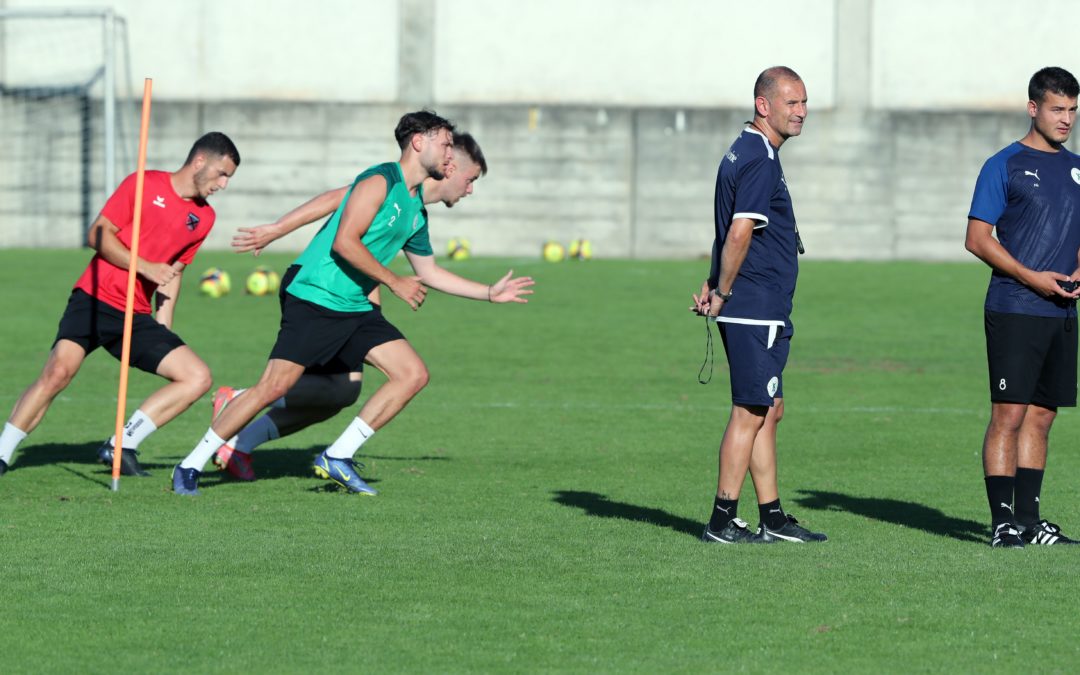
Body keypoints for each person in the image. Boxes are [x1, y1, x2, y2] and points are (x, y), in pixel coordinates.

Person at [174, 114, 533, 495]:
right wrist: (392, 281)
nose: (449, 153)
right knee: (274, 386)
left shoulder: (415, 210)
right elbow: (345, 241)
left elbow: (428, 271)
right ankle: (190, 464)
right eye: (445, 145)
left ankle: (337, 457)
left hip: (354, 305)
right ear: (418, 143)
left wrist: (489, 293)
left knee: (409, 375)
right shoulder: (380, 179)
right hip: (316, 294)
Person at [0, 133, 240, 477]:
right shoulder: (142, 184)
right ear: (199, 161)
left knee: (197, 377)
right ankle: (3, 453)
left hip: (135, 314)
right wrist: (145, 266)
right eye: (221, 173)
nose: (223, 184)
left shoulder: (204, 218)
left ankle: (121, 444)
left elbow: (174, 273)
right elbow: (97, 234)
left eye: (228, 177)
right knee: (57, 372)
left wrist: (164, 322)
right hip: (94, 297)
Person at [690, 66, 826, 544]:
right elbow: (740, 231)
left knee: (771, 408)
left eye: (805, 102)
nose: (802, 111)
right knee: (750, 410)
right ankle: (722, 520)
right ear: (763, 105)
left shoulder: (749, 150)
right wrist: (723, 292)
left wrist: (713, 283)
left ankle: (772, 517)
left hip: (757, 303)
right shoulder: (758, 158)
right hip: (753, 306)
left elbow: (726, 229)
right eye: (792, 103)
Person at [965, 66, 1080, 548]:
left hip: (1062, 313)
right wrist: (1032, 276)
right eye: (1057, 109)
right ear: (1033, 108)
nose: (1066, 119)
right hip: (1015, 307)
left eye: (1072, 110)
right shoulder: (1003, 164)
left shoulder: (1077, 169)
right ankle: (1002, 523)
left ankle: (1031, 522)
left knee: (1042, 416)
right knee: (1008, 415)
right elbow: (976, 239)